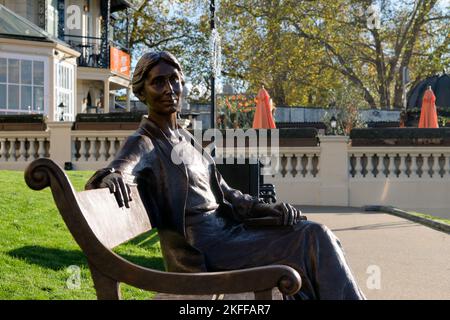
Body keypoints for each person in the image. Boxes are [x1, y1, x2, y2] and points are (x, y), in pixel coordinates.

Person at [85, 51, 366, 300]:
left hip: (231, 234)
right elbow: (121, 166)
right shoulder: (146, 141)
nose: (169, 88)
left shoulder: (186, 139)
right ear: (141, 92)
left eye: (174, 80)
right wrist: (108, 176)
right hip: (207, 251)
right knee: (313, 238)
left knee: (313, 235)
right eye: (158, 82)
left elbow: (226, 192)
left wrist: (266, 208)